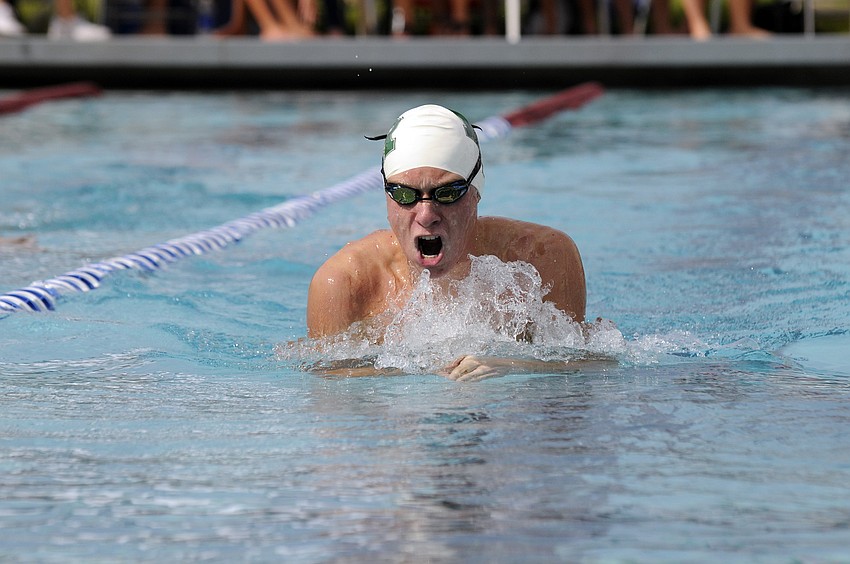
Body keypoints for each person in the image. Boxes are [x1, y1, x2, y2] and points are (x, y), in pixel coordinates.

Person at [306, 104, 587, 381]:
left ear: (476, 192)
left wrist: (514, 365)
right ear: (387, 196)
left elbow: (580, 376)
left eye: (448, 193)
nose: (427, 215)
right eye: (405, 194)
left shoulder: (541, 257)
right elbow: (329, 392)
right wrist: (422, 371)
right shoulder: (346, 283)